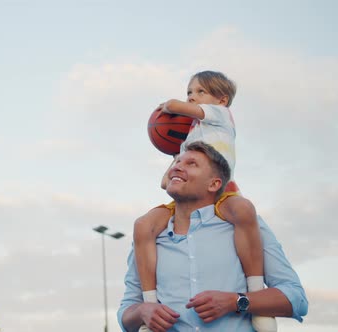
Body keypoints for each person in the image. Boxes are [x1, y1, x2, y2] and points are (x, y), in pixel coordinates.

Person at [134, 71, 274, 331]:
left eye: (200, 92)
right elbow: (165, 183)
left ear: (221, 100)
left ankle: (257, 298)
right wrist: (177, 164)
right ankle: (150, 304)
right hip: (187, 200)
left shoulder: (220, 116)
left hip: (223, 190)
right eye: (189, 92)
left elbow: (179, 107)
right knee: (144, 225)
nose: (192, 97)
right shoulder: (188, 138)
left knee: (244, 210)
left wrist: (169, 107)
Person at [118, 141, 308, 331]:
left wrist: (236, 301)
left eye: (191, 164)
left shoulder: (245, 226)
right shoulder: (149, 239)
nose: (177, 166)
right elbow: (127, 311)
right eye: (177, 162)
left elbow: (295, 299)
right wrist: (143, 311)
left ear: (214, 184)